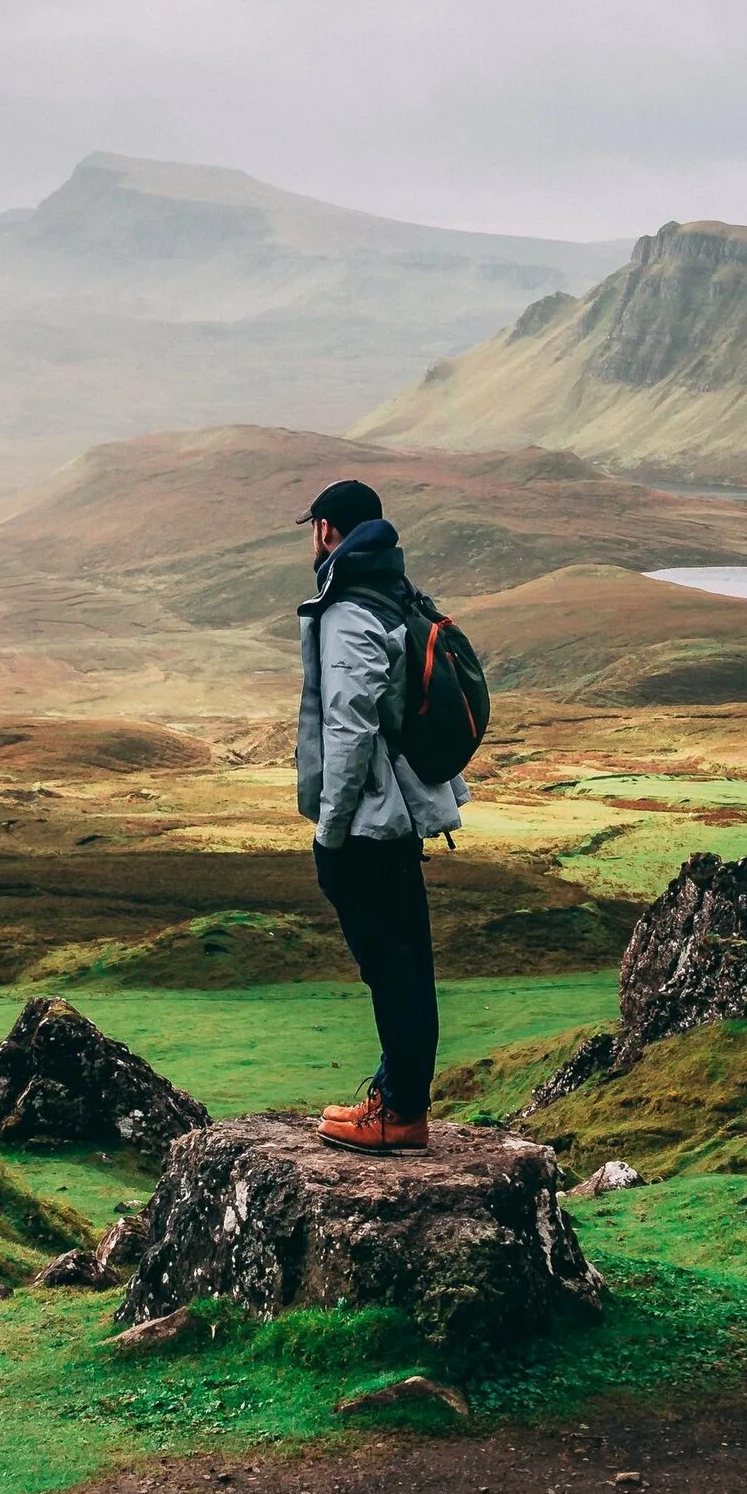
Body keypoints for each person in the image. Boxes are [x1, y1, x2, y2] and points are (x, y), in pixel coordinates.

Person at [295, 478, 466, 1153]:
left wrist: (330, 832)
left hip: (371, 820)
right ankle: (398, 1094)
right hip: (401, 814)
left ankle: (398, 1112)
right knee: (406, 957)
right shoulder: (391, 589)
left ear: (328, 531)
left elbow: (349, 726)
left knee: (388, 962)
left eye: (314, 527)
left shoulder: (349, 608)